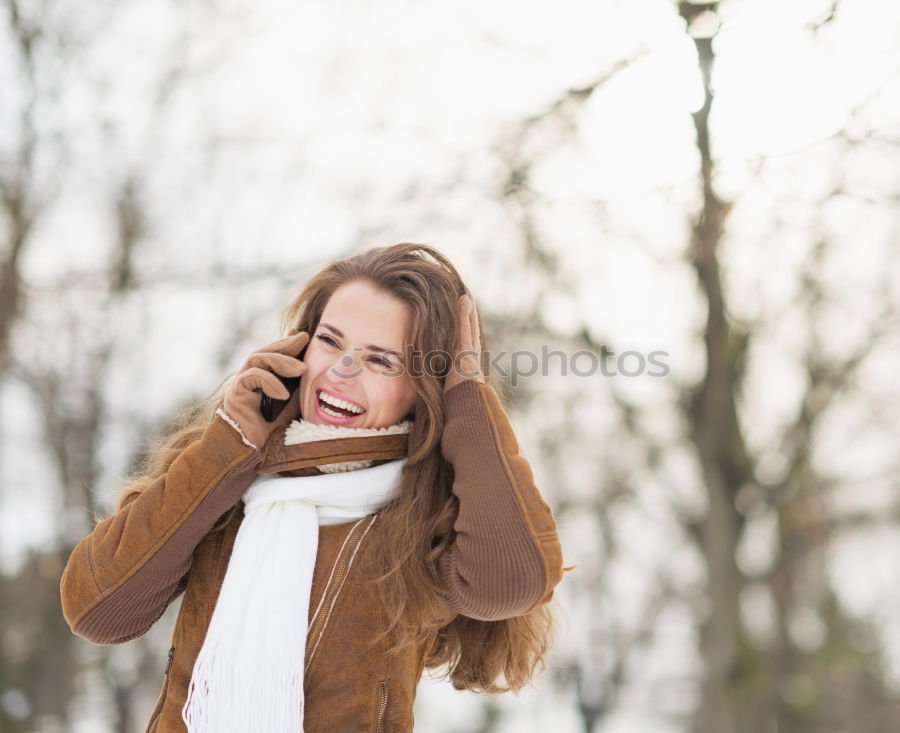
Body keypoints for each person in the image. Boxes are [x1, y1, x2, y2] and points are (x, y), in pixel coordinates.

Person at [59, 243, 566, 733]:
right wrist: (227, 449)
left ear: (426, 390)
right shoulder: (229, 475)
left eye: (382, 360)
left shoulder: (426, 509)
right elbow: (97, 611)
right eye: (330, 340)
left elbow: (515, 582)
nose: (341, 372)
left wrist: (470, 403)